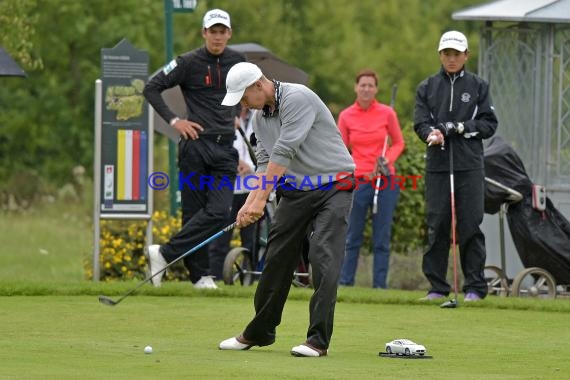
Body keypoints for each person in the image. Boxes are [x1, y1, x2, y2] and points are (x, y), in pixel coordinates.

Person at [217, 62, 355, 357]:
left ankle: (318, 341)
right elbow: (265, 163)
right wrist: (250, 201)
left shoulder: (298, 98)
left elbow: (285, 151)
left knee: (322, 255)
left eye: (243, 96)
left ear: (258, 85)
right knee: (277, 258)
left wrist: (257, 201)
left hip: (335, 186)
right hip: (296, 190)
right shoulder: (259, 117)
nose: (242, 103)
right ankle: (260, 332)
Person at [142, 9, 245, 289]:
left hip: (226, 149)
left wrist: (236, 111)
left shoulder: (238, 61)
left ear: (229, 34)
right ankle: (199, 275)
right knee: (193, 211)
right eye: (213, 31)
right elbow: (152, 87)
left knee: (221, 211)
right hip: (195, 147)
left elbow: (246, 90)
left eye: (223, 31)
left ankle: (164, 253)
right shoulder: (187, 62)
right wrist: (175, 121)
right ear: (204, 33)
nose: (218, 36)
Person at [413, 31, 498, 302]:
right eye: (446, 54)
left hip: (469, 165)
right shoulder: (426, 87)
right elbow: (420, 122)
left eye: (456, 54)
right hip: (438, 165)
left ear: (466, 56)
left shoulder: (478, 86)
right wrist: (431, 134)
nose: (451, 59)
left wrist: (458, 127)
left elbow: (488, 124)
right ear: (440, 55)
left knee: (470, 224)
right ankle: (437, 286)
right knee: (437, 225)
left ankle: (475, 287)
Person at [338, 69, 405, 289]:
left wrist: (386, 160)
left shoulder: (387, 113)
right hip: (358, 181)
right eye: (362, 85)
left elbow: (398, 143)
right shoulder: (346, 115)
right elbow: (340, 149)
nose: (366, 89)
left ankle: (380, 287)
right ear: (356, 88)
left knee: (381, 239)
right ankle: (345, 284)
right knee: (351, 237)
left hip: (385, 181)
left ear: (376, 89)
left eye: (370, 85)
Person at [208, 106, 257, 280]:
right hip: (227, 189)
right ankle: (214, 278)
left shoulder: (260, 116)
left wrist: (250, 166)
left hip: (253, 189)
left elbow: (268, 150)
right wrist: (232, 162)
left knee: (251, 240)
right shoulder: (221, 117)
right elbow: (212, 150)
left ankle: (250, 278)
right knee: (220, 239)